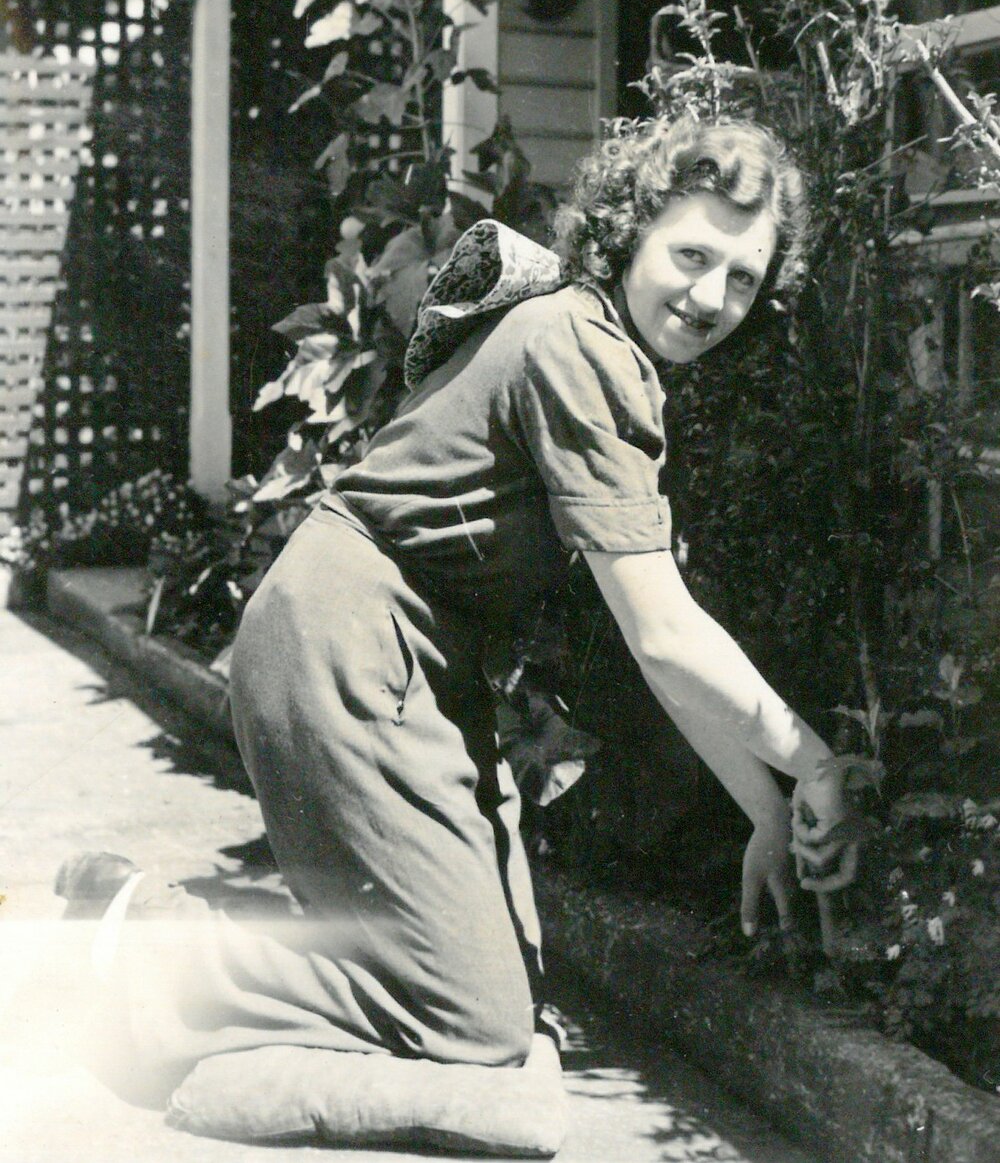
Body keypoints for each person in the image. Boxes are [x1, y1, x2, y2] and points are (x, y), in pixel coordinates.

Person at [57, 112, 856, 1151]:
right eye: (691, 254)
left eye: (742, 278)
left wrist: (762, 808)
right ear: (628, 233)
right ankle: (162, 944)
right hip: (351, 646)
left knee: (507, 987)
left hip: (401, 660)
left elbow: (653, 641)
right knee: (472, 1026)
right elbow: (665, 633)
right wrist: (817, 762)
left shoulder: (594, 339)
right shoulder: (581, 349)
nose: (709, 296)